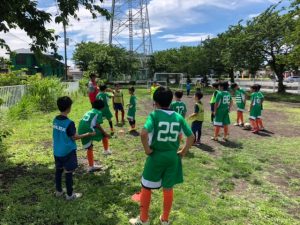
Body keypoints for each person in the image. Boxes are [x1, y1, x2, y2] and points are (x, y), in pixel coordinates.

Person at [129, 87, 195, 225]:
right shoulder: (178, 117)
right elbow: (191, 136)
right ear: (171, 101)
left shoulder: (154, 115)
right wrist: (183, 152)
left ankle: (143, 219)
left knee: (146, 187)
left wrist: (147, 150)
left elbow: (143, 133)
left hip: (156, 157)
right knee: (168, 188)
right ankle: (165, 219)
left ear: (155, 102)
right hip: (172, 158)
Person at [53, 96, 95, 200]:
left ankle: (58, 191)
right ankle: (70, 195)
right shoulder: (69, 123)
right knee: (68, 172)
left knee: (58, 170)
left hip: (57, 151)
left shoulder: (55, 119)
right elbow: (75, 137)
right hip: (68, 152)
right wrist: (88, 134)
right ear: (69, 108)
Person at [78, 99, 112, 172]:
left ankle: (91, 166)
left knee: (89, 147)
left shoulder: (89, 111)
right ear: (102, 107)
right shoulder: (98, 112)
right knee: (104, 134)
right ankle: (106, 150)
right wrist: (105, 133)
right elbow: (97, 125)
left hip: (81, 130)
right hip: (89, 129)